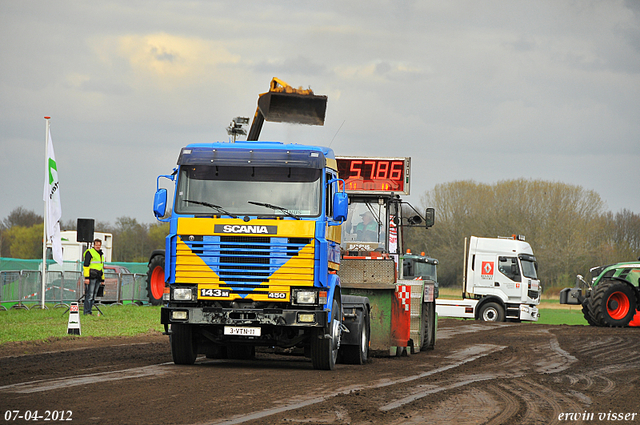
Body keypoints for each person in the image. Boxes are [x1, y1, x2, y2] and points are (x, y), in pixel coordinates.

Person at [83, 238, 105, 315]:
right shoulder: (90, 252)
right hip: (91, 276)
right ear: (94, 245)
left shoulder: (101, 254)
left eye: (99, 245)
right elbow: (86, 266)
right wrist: (87, 278)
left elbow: (101, 267)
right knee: (90, 295)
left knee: (94, 295)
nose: (98, 246)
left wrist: (102, 279)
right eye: (96, 245)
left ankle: (90, 311)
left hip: (98, 276)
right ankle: (86, 312)